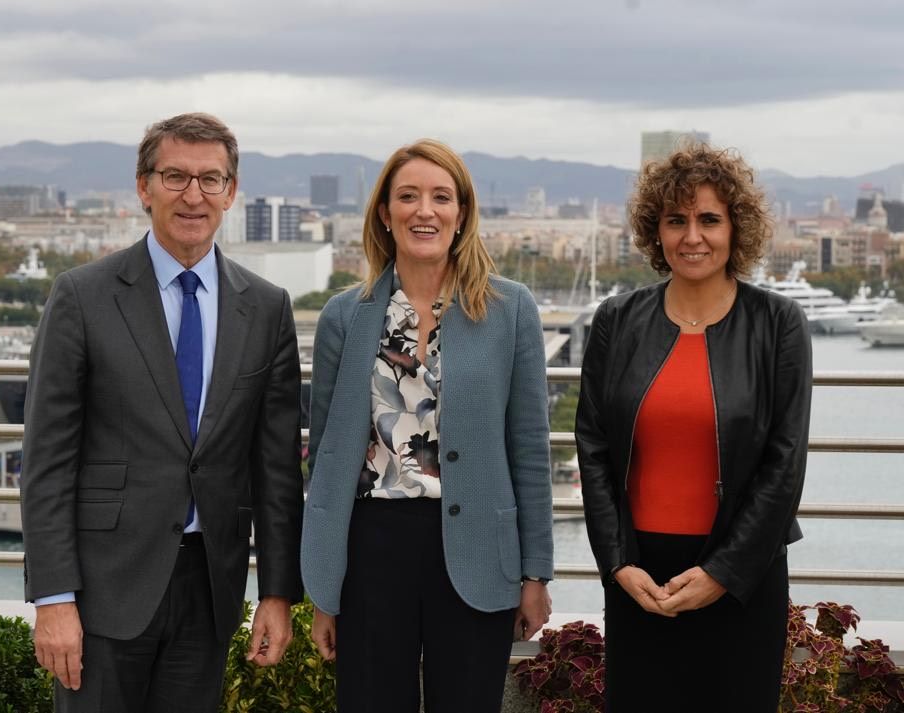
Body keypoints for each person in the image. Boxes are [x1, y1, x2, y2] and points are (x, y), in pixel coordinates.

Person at [21, 112, 304, 713]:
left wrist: (277, 594)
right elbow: (47, 460)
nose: (193, 195)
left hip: (210, 589)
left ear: (231, 191)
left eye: (210, 179)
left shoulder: (268, 308)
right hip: (102, 591)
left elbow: (276, 470)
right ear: (143, 186)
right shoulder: (82, 296)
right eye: (175, 176)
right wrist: (53, 598)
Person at [300, 139, 554, 713]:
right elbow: (330, 457)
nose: (425, 210)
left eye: (442, 197)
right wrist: (324, 586)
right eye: (407, 196)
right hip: (372, 550)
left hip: (478, 550)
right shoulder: (345, 315)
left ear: (461, 214)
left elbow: (530, 449)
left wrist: (536, 574)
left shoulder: (510, 310)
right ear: (385, 215)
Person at [575, 144, 812, 712]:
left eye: (709, 219)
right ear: (655, 232)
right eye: (675, 220)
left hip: (741, 580)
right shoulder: (616, 320)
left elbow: (785, 464)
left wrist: (722, 573)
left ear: (736, 229)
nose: (692, 237)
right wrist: (618, 564)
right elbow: (593, 449)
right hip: (640, 577)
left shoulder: (778, 323)